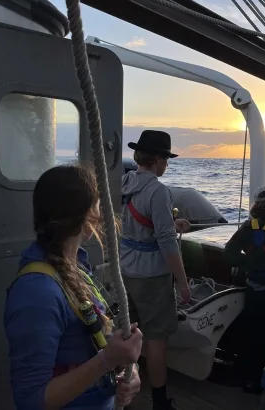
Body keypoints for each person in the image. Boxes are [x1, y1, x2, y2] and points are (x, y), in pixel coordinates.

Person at [4, 165, 143, 410]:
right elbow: (31, 400)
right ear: (87, 216)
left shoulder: (76, 269)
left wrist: (128, 372)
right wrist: (108, 360)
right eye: (98, 205)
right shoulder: (37, 292)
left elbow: (99, 345)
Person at [120, 130, 191, 410]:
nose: (167, 165)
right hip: (152, 278)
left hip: (126, 271)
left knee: (128, 335)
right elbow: (166, 244)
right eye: (166, 159)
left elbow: (137, 225)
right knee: (156, 340)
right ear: (159, 159)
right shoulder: (159, 191)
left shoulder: (124, 182)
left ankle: (121, 395)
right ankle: (160, 403)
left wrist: (172, 224)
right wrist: (183, 284)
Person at [224, 185, 265, 393]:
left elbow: (230, 251)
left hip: (252, 289)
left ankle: (248, 379)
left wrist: (247, 264)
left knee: (250, 333)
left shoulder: (248, 226)